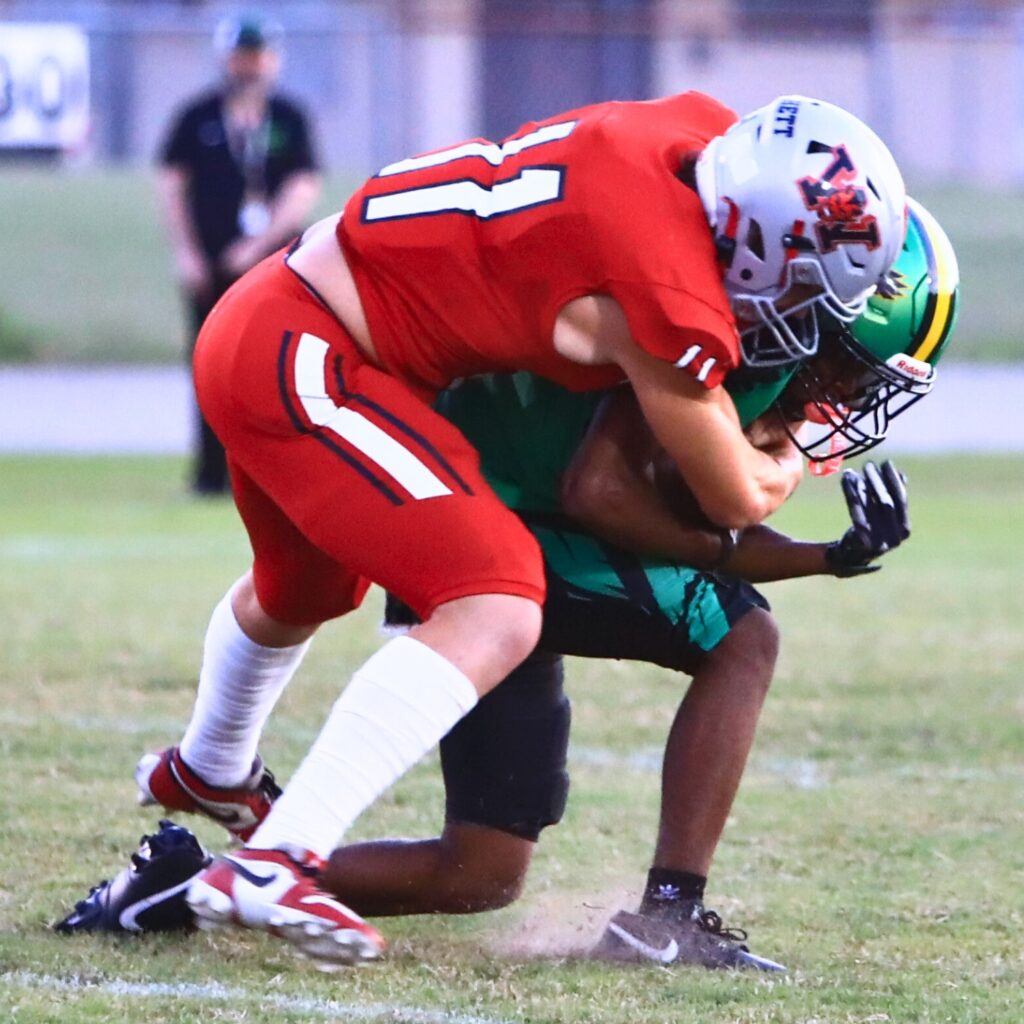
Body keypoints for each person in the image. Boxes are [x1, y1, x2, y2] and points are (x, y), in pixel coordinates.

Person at [64, 199, 956, 970]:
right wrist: (795, 549)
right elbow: (605, 491)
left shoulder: (731, 314)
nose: (847, 391)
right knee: (744, 637)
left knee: (480, 874)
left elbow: (672, 508)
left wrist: (808, 547)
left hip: (492, 522)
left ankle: (191, 887)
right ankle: (670, 916)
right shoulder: (706, 333)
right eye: (850, 366)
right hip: (485, 539)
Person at [157, 15, 321, 494]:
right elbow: (172, 185)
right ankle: (211, 473)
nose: (249, 67)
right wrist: (186, 252)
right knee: (211, 366)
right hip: (210, 266)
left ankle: (275, 472)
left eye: (258, 56)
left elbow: (302, 185)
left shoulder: (288, 118)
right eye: (241, 56)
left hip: (271, 267)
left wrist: (259, 243)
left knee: (270, 368)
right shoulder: (198, 116)